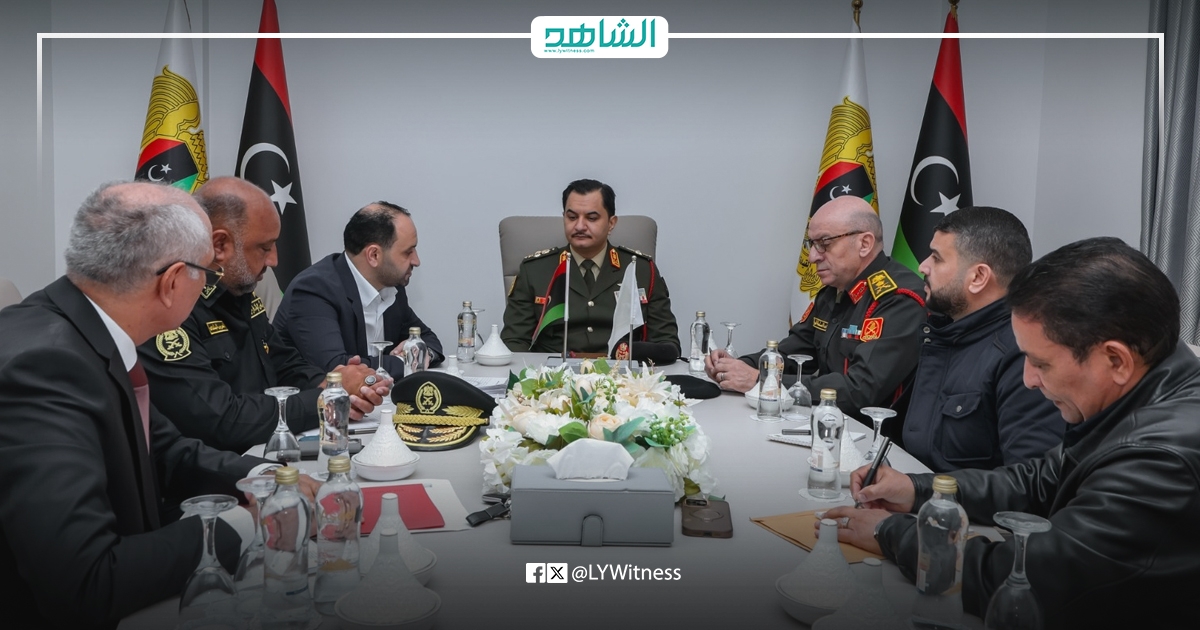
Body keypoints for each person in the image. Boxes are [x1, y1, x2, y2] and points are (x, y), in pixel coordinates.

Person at [822, 237, 1200, 629]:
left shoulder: (1163, 459)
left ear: (1115, 360)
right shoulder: (1141, 385)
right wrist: (918, 490)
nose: (1028, 380)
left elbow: (1031, 582)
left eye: (1041, 364)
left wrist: (889, 532)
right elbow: (1037, 481)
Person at [0, 181, 278, 627]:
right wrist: (247, 524)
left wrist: (268, 479)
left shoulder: (86, 330)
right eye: (205, 273)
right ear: (172, 282)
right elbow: (86, 581)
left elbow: (163, 447)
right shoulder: (46, 367)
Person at [138, 176, 388, 454]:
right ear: (219, 245)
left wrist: (335, 382)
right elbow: (222, 419)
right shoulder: (173, 308)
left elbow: (282, 362)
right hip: (217, 467)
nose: (274, 260)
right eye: (264, 248)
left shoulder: (238, 291)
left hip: (263, 449)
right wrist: (326, 399)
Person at [707, 195, 926, 426]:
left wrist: (763, 381)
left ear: (864, 244)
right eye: (811, 244)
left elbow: (860, 390)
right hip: (829, 423)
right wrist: (738, 366)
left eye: (825, 243)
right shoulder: (834, 291)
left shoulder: (898, 299)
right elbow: (794, 353)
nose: (812, 257)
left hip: (874, 437)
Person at [903, 207, 1063, 471]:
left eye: (936, 258)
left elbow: (1027, 480)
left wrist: (915, 489)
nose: (923, 266)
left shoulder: (1022, 355)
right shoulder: (947, 331)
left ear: (978, 277)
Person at [501, 178, 681, 361]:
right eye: (572, 217)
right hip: (553, 373)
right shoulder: (535, 271)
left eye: (592, 218)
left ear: (611, 223)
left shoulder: (641, 270)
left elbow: (666, 342)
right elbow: (514, 343)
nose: (579, 226)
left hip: (621, 374)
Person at [273, 201, 443, 376]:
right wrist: (407, 361)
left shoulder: (392, 287)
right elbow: (338, 370)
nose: (416, 261)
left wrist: (422, 353)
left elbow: (428, 339)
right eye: (408, 252)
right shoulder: (314, 290)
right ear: (374, 255)